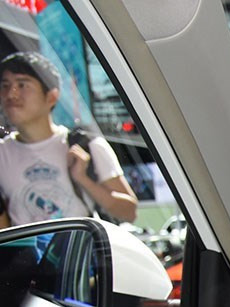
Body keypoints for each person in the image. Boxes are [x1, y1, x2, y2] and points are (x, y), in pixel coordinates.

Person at [0, 51, 136, 229]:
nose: (11, 94)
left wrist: (83, 179)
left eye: (22, 84)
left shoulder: (87, 146)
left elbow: (129, 212)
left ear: (52, 96)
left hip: (80, 246)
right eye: (5, 85)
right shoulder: (2, 153)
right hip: (26, 249)